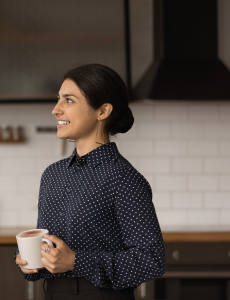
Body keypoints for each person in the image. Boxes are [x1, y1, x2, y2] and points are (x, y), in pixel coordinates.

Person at [15, 64, 165, 299]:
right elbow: (49, 244)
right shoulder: (53, 175)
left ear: (103, 111)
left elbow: (151, 260)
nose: (56, 110)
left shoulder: (124, 179)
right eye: (58, 99)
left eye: (69, 100)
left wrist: (76, 261)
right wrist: (28, 262)